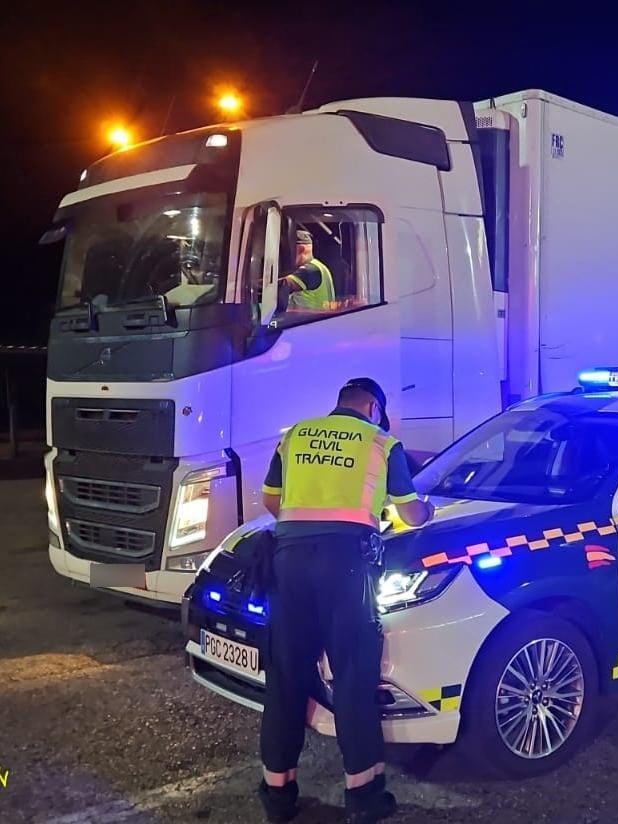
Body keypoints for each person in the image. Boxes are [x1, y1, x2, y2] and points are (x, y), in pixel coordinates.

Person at [257, 378, 433, 823]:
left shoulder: (295, 434)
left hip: (289, 561)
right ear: (374, 407)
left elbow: (271, 500)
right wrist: (426, 510)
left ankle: (277, 796)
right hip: (346, 565)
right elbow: (410, 514)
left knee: (286, 676)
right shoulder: (381, 443)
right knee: (353, 675)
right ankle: (364, 796)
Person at [279, 229, 336, 311]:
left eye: (288, 249)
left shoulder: (310, 270)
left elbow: (282, 285)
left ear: (301, 249)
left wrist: (255, 284)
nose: (285, 254)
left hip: (309, 321)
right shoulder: (319, 266)